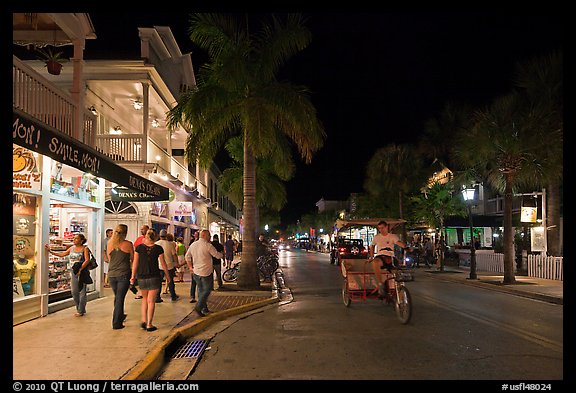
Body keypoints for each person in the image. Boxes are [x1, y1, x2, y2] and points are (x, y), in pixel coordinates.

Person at [130, 229, 170, 332]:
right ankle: (149, 324)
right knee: (151, 301)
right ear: (155, 237)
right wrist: (168, 276)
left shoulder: (139, 248)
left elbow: (135, 263)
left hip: (142, 277)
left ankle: (143, 320)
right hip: (154, 276)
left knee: (144, 299)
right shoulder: (158, 249)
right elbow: (163, 263)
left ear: (146, 236)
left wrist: (133, 276)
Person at [45, 234, 92, 317]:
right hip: (73, 271)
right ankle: (79, 308)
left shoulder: (85, 249)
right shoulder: (71, 248)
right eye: (74, 238)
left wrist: (80, 269)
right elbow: (62, 254)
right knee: (74, 292)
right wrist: (50, 251)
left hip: (82, 272)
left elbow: (87, 260)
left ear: (81, 240)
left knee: (82, 291)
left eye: (76, 238)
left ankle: (81, 310)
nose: (74, 240)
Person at [185, 229, 223, 317]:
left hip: (196, 272)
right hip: (206, 272)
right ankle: (199, 307)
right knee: (207, 289)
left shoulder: (193, 245)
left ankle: (204, 308)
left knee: (200, 289)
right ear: (204, 236)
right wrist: (221, 254)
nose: (210, 237)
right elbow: (217, 255)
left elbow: (187, 257)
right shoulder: (208, 246)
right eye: (209, 235)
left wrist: (190, 267)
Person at [106, 224, 134, 330]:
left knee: (117, 297)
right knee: (120, 298)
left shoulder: (110, 244)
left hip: (112, 274)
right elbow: (132, 258)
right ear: (125, 233)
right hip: (123, 274)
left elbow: (109, 259)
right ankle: (116, 322)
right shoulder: (128, 244)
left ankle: (120, 316)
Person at [369, 220, 405, 288]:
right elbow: (372, 246)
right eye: (379, 228)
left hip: (390, 257)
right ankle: (380, 283)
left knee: (397, 275)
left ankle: (400, 290)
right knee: (375, 262)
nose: (381, 230)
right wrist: (371, 256)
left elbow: (399, 243)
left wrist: (406, 247)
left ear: (386, 227)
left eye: (382, 228)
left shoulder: (392, 236)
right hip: (380, 256)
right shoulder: (376, 237)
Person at [155, 229, 179, 302]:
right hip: (169, 266)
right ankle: (173, 296)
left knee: (158, 282)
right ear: (166, 236)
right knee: (170, 281)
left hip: (159, 266)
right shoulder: (170, 244)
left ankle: (157, 297)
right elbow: (174, 255)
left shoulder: (156, 244)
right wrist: (176, 263)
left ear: (159, 235)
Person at [131, 224, 149, 299]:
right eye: (141, 229)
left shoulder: (150, 239)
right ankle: (141, 292)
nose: (141, 230)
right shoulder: (139, 239)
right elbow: (135, 248)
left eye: (143, 229)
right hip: (139, 261)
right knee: (140, 277)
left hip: (148, 261)